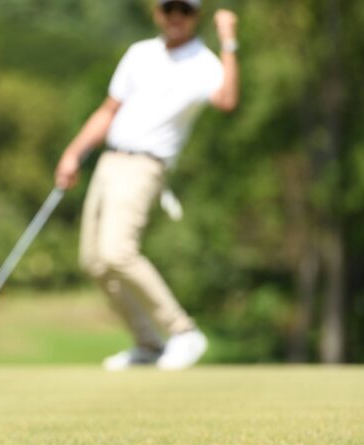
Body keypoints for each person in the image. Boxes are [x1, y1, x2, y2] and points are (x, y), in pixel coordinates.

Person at [56, 0, 240, 370]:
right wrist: (73, 153)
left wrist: (229, 41)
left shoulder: (204, 62)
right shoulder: (139, 54)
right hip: (110, 160)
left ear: (195, 17)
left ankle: (183, 331)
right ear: (157, 13)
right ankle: (148, 344)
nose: (175, 17)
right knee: (94, 261)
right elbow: (109, 110)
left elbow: (226, 99)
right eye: (168, 9)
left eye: (184, 11)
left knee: (117, 251)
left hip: (145, 165)